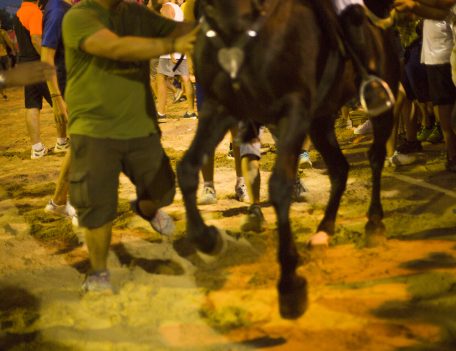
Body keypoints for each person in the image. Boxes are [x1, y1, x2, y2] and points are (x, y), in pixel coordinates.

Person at [62, 0, 197, 292]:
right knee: (97, 205)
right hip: (95, 128)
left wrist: (209, 24)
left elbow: (180, 29)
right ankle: (98, 273)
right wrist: (174, 43)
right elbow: (116, 48)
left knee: (162, 189)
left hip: (140, 124)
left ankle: (147, 209)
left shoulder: (134, 13)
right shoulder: (78, 17)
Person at [14, 0, 69, 159]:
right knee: (60, 102)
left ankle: (37, 148)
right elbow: (36, 39)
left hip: (24, 64)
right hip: (38, 65)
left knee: (32, 105)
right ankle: (62, 142)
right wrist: (48, 58)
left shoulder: (19, 13)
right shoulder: (34, 12)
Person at [41, 0, 78, 224]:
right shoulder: (56, 10)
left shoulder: (64, 8)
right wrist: (56, 98)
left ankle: (58, 202)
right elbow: (46, 58)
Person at [156, 0, 196, 119]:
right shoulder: (177, 8)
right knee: (186, 79)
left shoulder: (166, 8)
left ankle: (161, 112)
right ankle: (191, 111)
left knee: (160, 79)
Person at [0, 20, 17, 100]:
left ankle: (3, 93)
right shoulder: (2, 32)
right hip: (3, 55)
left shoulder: (3, 32)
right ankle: (3, 93)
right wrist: (13, 50)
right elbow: (9, 42)